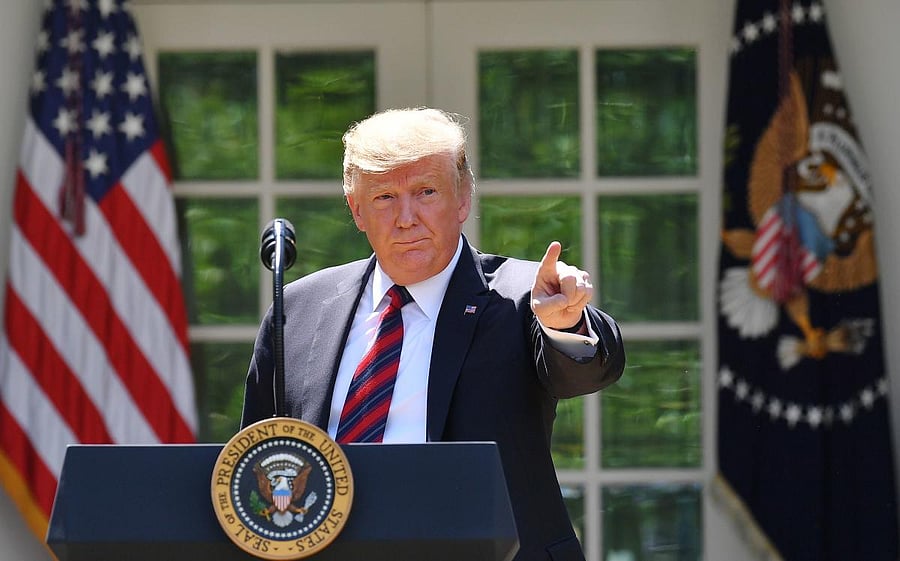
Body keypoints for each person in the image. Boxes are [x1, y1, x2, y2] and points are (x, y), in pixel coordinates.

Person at [241, 107, 625, 561]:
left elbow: (590, 369)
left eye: (426, 192)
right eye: (385, 197)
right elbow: (255, 470)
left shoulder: (518, 297)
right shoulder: (300, 310)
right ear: (356, 209)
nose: (407, 217)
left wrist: (563, 322)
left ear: (463, 199)